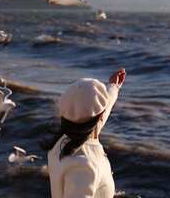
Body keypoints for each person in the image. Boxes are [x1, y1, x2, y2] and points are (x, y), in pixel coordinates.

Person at [43, 68, 126, 198]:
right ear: (99, 117)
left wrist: (113, 87)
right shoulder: (83, 167)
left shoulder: (62, 141)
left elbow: (97, 114)